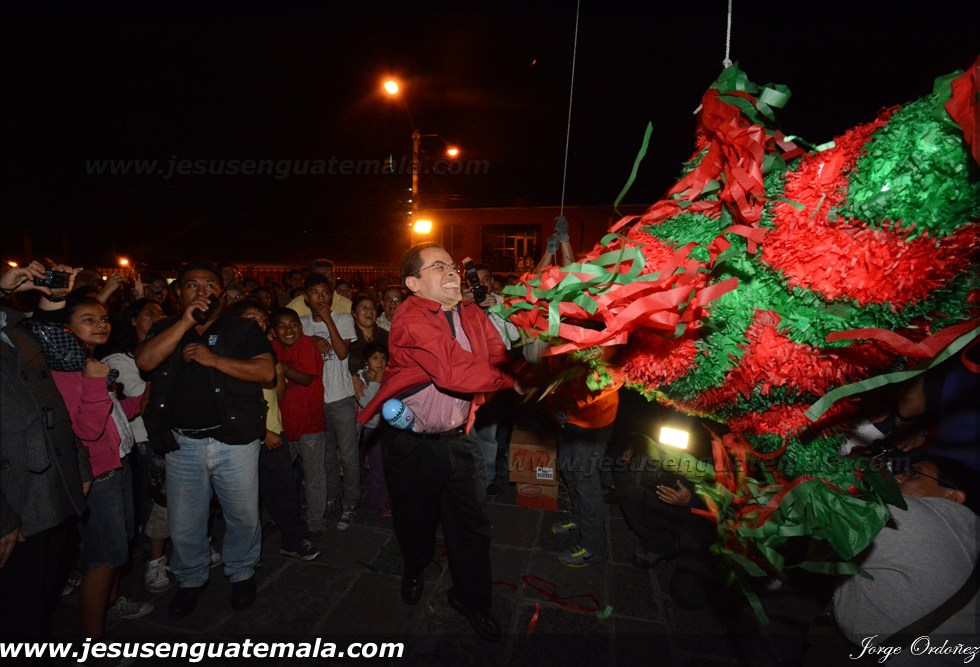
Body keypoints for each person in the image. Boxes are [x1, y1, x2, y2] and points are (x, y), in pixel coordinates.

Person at [358, 242, 519, 643]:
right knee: (414, 518)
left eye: (451, 265)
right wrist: (516, 380)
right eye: (437, 267)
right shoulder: (410, 317)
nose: (451, 271)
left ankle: (472, 599)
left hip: (459, 439)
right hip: (412, 444)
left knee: (472, 525)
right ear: (413, 283)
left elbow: (496, 354)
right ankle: (415, 567)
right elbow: (452, 371)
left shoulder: (471, 313)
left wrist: (518, 367)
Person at [136, 263, 274, 619]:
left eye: (209, 285)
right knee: (185, 522)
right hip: (183, 443)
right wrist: (184, 323)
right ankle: (191, 579)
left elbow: (266, 371)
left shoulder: (242, 328)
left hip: (235, 440)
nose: (201, 292)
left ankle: (241, 572)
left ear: (221, 294)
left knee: (243, 515)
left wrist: (214, 360)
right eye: (192, 285)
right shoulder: (166, 328)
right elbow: (146, 361)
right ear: (178, 293)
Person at [48, 295, 153, 638]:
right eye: (89, 320)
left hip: (117, 464)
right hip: (97, 475)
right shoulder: (66, 371)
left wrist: (142, 398)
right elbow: (87, 430)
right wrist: (96, 383)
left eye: (104, 318)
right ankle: (93, 642)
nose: (100, 325)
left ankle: (113, 602)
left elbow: (112, 416)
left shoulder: (89, 363)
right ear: (67, 328)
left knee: (119, 548)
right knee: (104, 557)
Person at [0, 261, 90, 639]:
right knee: (16, 612)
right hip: (13, 498)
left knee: (41, 599)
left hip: (51, 484)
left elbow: (63, 362)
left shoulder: (12, 323)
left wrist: (79, 462)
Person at [832, 454, 979, 662]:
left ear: (953, 497)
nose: (897, 478)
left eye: (914, 474)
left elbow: (820, 504)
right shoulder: (966, 540)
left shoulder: (914, 516)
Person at [229, 300, 319, 561]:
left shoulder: (265, 350)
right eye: (251, 319)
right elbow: (233, 400)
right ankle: (244, 555)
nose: (259, 324)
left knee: (284, 489)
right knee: (243, 498)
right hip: (249, 435)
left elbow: (277, 394)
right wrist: (262, 431)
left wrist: (279, 371)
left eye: (261, 319)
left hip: (273, 430)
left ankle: (292, 540)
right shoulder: (231, 354)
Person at [100, 297, 170, 593]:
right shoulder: (118, 361)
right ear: (132, 321)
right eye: (149, 313)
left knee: (173, 501)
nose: (157, 317)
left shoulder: (171, 350)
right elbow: (144, 398)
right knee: (153, 505)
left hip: (172, 435)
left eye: (161, 313)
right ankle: (153, 561)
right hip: (143, 440)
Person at [546, 345, 622, 568]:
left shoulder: (604, 337)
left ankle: (594, 547)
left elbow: (610, 380)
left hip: (593, 422)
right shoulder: (560, 330)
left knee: (585, 481)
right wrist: (553, 404)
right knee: (568, 470)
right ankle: (579, 519)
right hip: (567, 417)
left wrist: (568, 407)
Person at [298, 272, 360, 530]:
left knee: (348, 455)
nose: (320, 298)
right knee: (325, 457)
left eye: (325, 293)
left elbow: (342, 352)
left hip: (341, 398)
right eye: (315, 293)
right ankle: (332, 496)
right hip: (315, 401)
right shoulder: (301, 324)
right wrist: (310, 339)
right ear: (306, 298)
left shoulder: (343, 319)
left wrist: (327, 321)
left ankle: (351, 503)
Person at [270, 307, 328, 534]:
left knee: (314, 476)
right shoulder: (271, 347)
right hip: (282, 422)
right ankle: (283, 518)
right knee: (281, 476)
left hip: (309, 422)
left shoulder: (306, 345)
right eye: (282, 326)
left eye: (293, 325)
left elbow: (305, 379)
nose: (289, 330)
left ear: (301, 327)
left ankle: (315, 521)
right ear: (273, 331)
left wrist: (281, 367)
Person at [354, 343, 390, 517]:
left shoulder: (390, 375)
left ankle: (390, 498)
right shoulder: (360, 379)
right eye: (375, 358)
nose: (380, 362)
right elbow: (368, 403)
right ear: (366, 361)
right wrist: (377, 380)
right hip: (372, 429)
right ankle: (379, 501)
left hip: (389, 428)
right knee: (377, 467)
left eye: (383, 358)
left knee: (390, 465)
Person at [287, 259, 352, 316]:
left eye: (331, 275)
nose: (329, 280)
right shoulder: (296, 305)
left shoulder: (347, 305)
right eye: (323, 276)